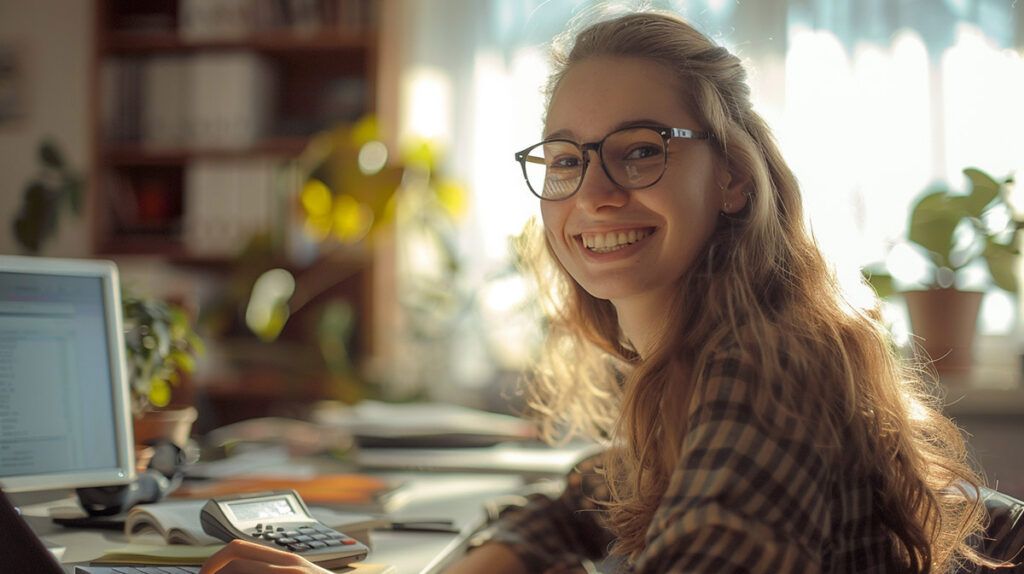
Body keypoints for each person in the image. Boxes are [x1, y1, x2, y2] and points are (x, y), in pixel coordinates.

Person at [199, 10, 998, 574]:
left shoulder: (766, 365)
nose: (596, 193)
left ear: (729, 177)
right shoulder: (697, 361)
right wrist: (508, 551)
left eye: (641, 151)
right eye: (566, 157)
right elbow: (597, 490)